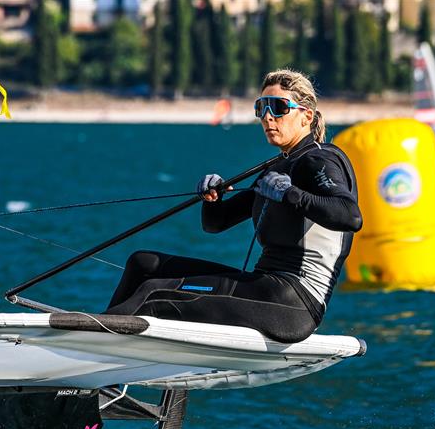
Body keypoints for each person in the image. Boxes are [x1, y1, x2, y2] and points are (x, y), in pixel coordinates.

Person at [105, 69, 362, 343]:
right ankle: (96, 347)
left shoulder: (319, 160)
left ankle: (93, 345)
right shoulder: (278, 169)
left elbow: (349, 215)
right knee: (144, 264)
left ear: (306, 116)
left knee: (154, 293)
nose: (267, 117)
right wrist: (213, 200)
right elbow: (216, 224)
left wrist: (290, 194)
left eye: (277, 107)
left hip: (293, 302)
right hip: (265, 289)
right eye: (260, 108)